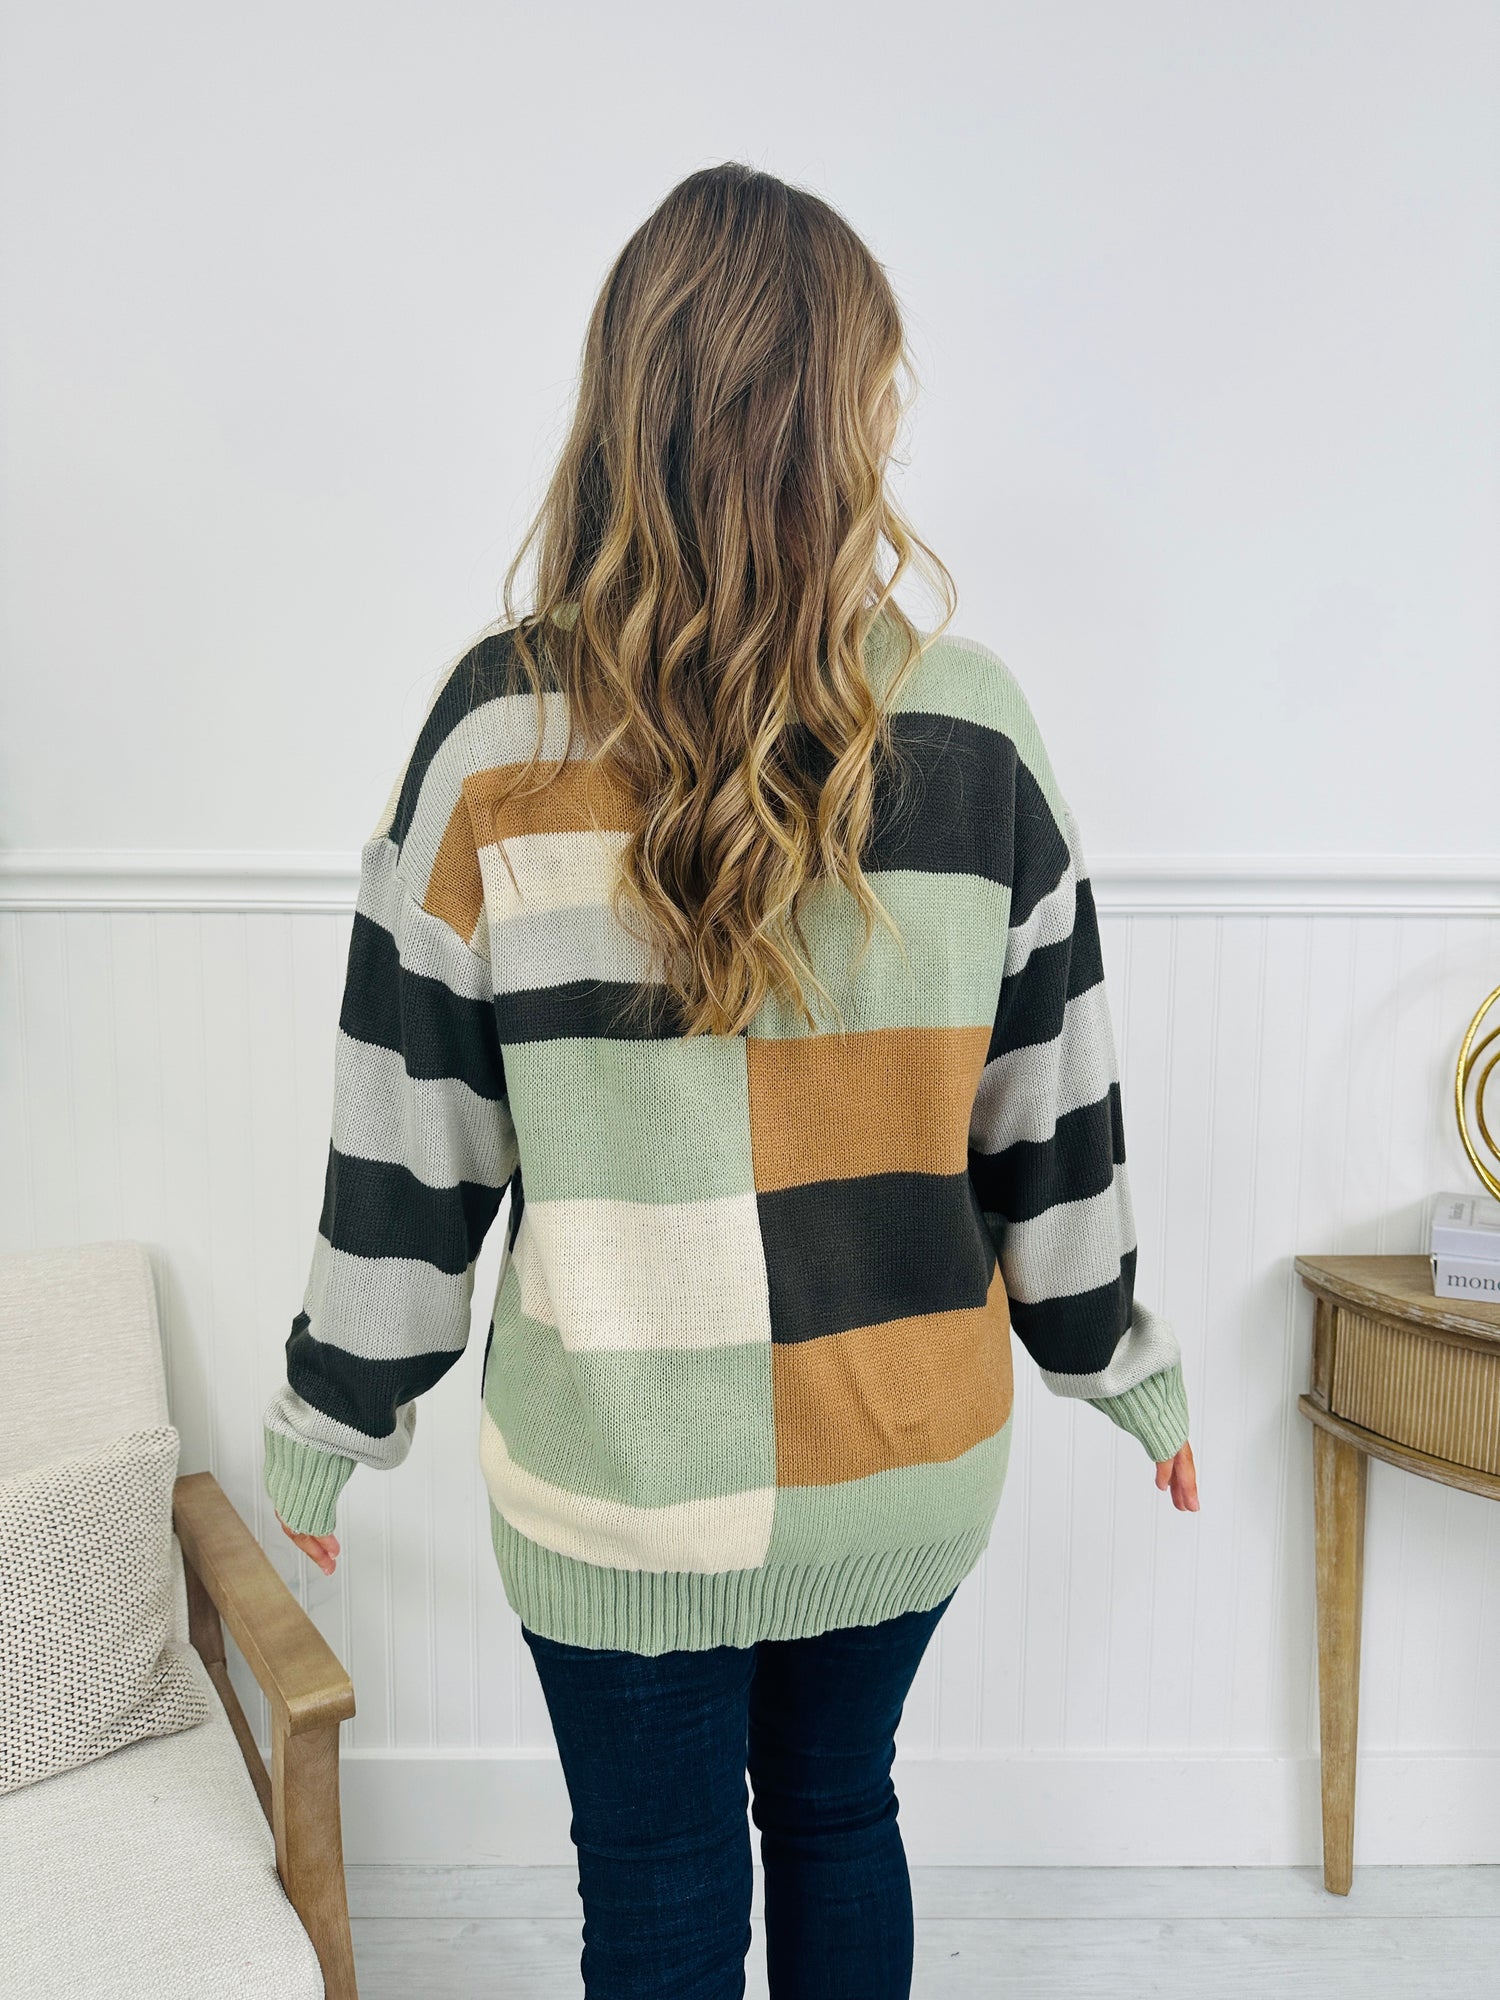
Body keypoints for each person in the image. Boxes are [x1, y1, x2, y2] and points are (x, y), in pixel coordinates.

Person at [261, 159, 1199, 2000]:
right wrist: (1119, 1361)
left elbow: (412, 1130)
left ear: (631, 402)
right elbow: (1054, 1124)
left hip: (620, 1475)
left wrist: (335, 1412)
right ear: (836, 414)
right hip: (903, 1457)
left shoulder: (497, 735)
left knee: (662, 1881)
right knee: (841, 1811)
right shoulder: (975, 730)